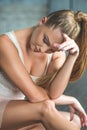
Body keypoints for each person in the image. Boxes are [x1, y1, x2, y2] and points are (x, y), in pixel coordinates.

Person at [0, 9, 87, 130]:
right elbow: (35, 97)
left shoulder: (56, 54)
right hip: (3, 111)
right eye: (45, 40)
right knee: (46, 107)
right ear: (42, 21)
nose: (44, 50)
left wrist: (72, 57)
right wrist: (69, 100)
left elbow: (53, 94)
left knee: (74, 121)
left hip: (21, 113)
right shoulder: (5, 43)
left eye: (51, 49)